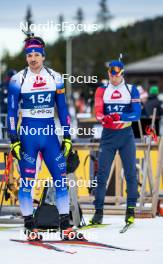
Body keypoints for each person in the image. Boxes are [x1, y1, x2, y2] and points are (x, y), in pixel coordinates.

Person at [7, 35, 84, 241]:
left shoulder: (55, 77)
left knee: (60, 180)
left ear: (43, 56)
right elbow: (12, 112)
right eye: (29, 55)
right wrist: (13, 138)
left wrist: (67, 136)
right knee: (27, 183)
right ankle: (30, 226)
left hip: (50, 135)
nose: (33, 59)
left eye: (36, 55)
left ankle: (65, 225)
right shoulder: (17, 79)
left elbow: (63, 108)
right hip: (28, 137)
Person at [92, 60, 141, 225]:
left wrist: (120, 116)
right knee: (102, 175)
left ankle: (130, 210)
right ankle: (98, 212)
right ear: (108, 74)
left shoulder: (131, 89)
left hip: (126, 136)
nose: (114, 78)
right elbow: (98, 112)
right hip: (108, 137)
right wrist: (105, 118)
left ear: (122, 74)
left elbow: (137, 114)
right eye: (111, 74)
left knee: (130, 174)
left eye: (117, 75)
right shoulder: (101, 90)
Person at [0, 69, 17, 137]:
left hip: (12, 114)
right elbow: (2, 100)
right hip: (7, 113)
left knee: (13, 129)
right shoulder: (5, 87)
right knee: (7, 129)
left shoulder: (14, 86)